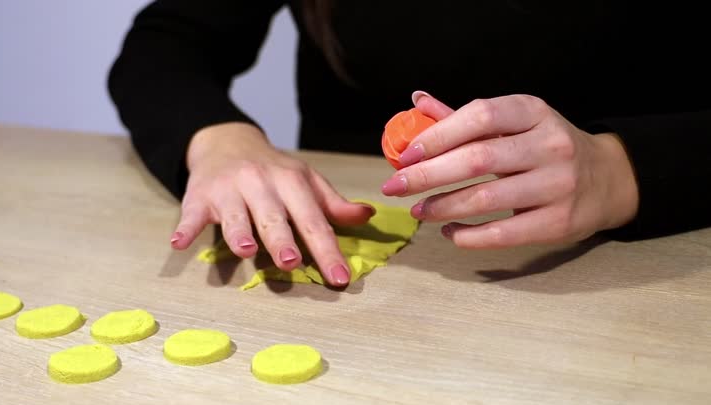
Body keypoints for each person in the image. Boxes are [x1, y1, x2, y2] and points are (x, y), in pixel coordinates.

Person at [107, 1, 711, 287]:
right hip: (371, 256)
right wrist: (219, 139)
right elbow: (167, 41)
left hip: (641, 261)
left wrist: (626, 166)